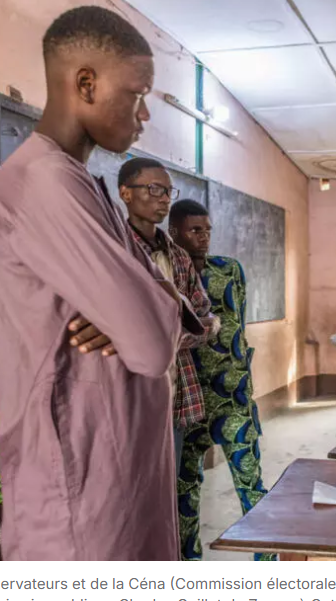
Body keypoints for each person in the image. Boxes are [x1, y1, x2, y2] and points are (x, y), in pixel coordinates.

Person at [0, 6, 203, 560]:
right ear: (84, 83)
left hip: (121, 472)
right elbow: (150, 344)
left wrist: (147, 300)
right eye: (136, 94)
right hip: (80, 489)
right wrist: (146, 305)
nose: (143, 115)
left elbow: (162, 309)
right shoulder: (43, 183)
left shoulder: (86, 186)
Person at [169, 200, 274, 561]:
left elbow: (238, 327)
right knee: (185, 495)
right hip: (188, 403)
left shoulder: (229, 270)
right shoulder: (166, 278)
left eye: (208, 229)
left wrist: (241, 375)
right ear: (174, 233)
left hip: (233, 399)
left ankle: (268, 565)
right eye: (194, 230)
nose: (203, 237)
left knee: (251, 483)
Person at [118, 158, 220, 472]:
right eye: (154, 189)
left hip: (175, 392)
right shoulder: (113, 249)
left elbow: (205, 318)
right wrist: (179, 331)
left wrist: (163, 335)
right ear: (126, 194)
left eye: (168, 191)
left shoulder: (177, 256)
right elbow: (116, 325)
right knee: (126, 483)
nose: (164, 198)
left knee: (167, 484)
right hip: (125, 390)